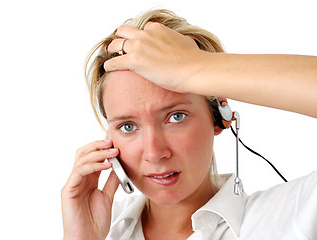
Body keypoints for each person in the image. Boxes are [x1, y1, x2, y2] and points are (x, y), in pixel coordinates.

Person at [61, 9, 317, 240]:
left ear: (219, 117)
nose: (154, 153)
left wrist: (195, 68)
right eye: (128, 126)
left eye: (175, 117)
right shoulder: (102, 228)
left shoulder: (289, 219)